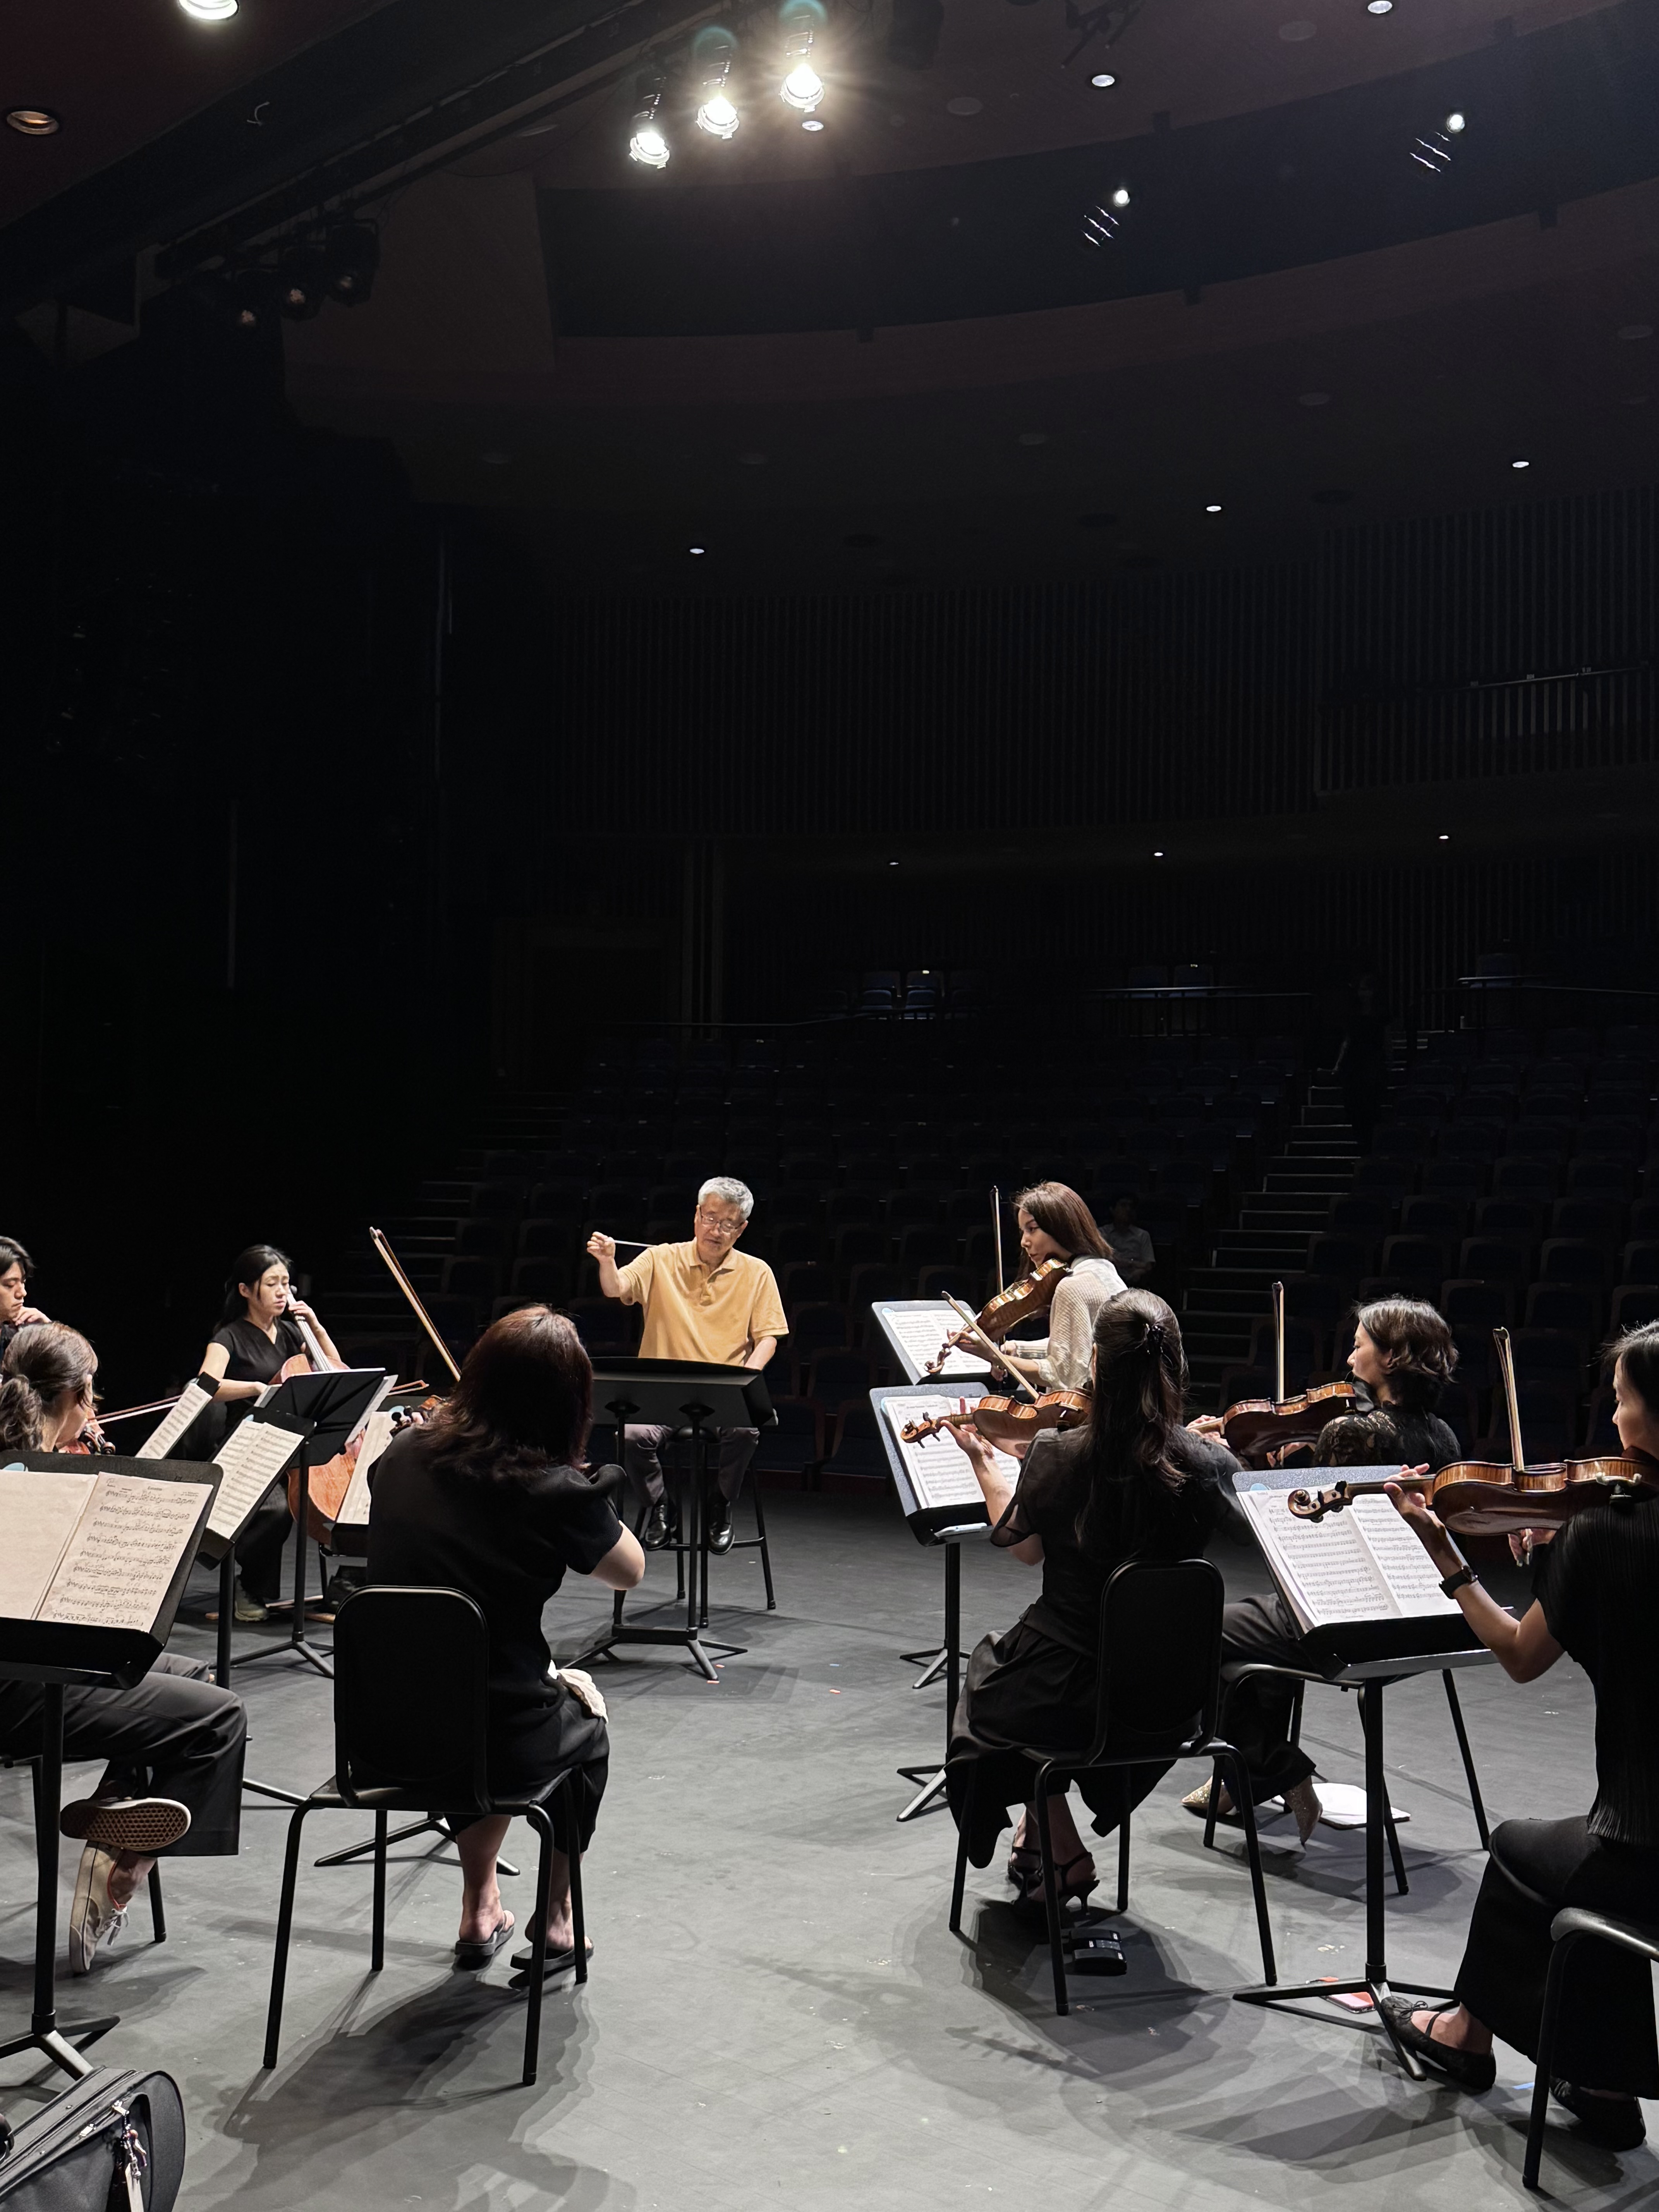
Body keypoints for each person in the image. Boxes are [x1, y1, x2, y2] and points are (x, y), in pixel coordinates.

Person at [1369, 1320, 1659, 2156]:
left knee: (1523, 1850)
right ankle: (1601, 2084)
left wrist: (1447, 1555)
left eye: (1622, 1402)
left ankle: (1464, 2033)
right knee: (1581, 1862)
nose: (1612, 1421)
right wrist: (1567, 1570)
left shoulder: (1603, 1532)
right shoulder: (1598, 1531)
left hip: (1646, 1845)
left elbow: (1521, 1657)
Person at [941, 1291, 1243, 1903]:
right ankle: (1039, 1839)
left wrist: (984, 1463)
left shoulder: (1059, 1453)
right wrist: (1201, 1447)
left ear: (1097, 1365)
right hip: (1171, 1698)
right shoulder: (1211, 1463)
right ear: (1175, 1366)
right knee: (1019, 1697)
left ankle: (1062, 1850)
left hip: (1073, 1690)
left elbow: (1025, 1551)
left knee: (989, 1688)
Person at [367, 1307, 644, 1974]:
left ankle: (479, 1906)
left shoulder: (400, 1454)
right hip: (501, 1735)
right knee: (586, 1732)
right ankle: (557, 1922)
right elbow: (628, 1570)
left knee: (469, 1710)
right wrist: (586, 1486)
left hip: (383, 1734)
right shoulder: (548, 1488)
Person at [0, 1323, 247, 1974]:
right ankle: (126, 1865)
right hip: (23, 1681)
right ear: (79, 1396)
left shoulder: (27, 1461)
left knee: (197, 1676)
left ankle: (115, 1811)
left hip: (38, 1660)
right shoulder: (40, 1479)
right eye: (93, 1395)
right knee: (220, 1718)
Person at [1186, 1297, 1462, 1843]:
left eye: (1359, 1346)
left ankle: (1277, 1770)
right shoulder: (1444, 1436)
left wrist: (1223, 1462)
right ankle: (1246, 1781)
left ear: (1391, 1358)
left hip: (1344, 1617)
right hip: (1416, 1619)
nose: (1350, 1358)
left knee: (1200, 1631)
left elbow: (1306, 1532)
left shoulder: (1349, 1431)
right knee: (1260, 1635)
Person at [587, 1177, 785, 1554]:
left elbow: (768, 1339)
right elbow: (616, 1288)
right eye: (710, 1218)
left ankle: (720, 1504)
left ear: (741, 1229)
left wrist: (746, 1378)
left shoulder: (757, 1272)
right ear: (697, 1215)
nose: (716, 1230)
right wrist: (608, 1261)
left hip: (723, 1394)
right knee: (631, 1436)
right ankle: (661, 1505)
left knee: (746, 1432)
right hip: (661, 1395)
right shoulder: (660, 1258)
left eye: (728, 1224)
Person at [194, 1243, 345, 1623]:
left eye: (286, 1284)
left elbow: (333, 1368)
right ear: (246, 1290)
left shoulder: (292, 1332)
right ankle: (248, 1586)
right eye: (272, 1284)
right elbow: (206, 1384)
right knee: (277, 1509)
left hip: (292, 1442)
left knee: (345, 1495)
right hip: (249, 1447)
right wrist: (256, 1388)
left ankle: (345, 1580)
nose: (283, 1292)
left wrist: (316, 1328)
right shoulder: (229, 1336)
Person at [967, 1183, 1124, 1396]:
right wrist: (1018, 1350)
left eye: (1032, 1229)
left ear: (1060, 1227)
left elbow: (1065, 1375)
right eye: (1023, 1231)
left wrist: (994, 1356)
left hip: (1088, 1412)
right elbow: (1076, 1349)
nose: (1024, 1242)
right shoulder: (1103, 1268)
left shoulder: (1072, 1286)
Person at [1331, 973, 1390, 1155]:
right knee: (1352, 1101)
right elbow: (1347, 1040)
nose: (1363, 994)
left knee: (1370, 1103)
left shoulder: (1381, 1013)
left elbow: (1386, 1039)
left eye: (1366, 990)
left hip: (1373, 1060)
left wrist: (1389, 1060)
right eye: (1361, 990)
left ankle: (1369, 1142)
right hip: (1354, 1061)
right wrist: (1339, 1064)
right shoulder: (1353, 1014)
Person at [0, 1235, 50, 1360]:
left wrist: (49, 1333)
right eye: (10, 1285)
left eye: (23, 1282)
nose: (22, 1293)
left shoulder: (15, 1340)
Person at [1103, 1196, 1155, 1287]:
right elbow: (1103, 1261)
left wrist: (1140, 1271)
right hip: (1108, 1280)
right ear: (1113, 1210)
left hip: (1135, 1283)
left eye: (1131, 1207)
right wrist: (1133, 1264)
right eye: (1123, 1206)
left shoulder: (1143, 1235)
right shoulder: (1103, 1233)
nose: (1128, 1210)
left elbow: (1148, 1265)